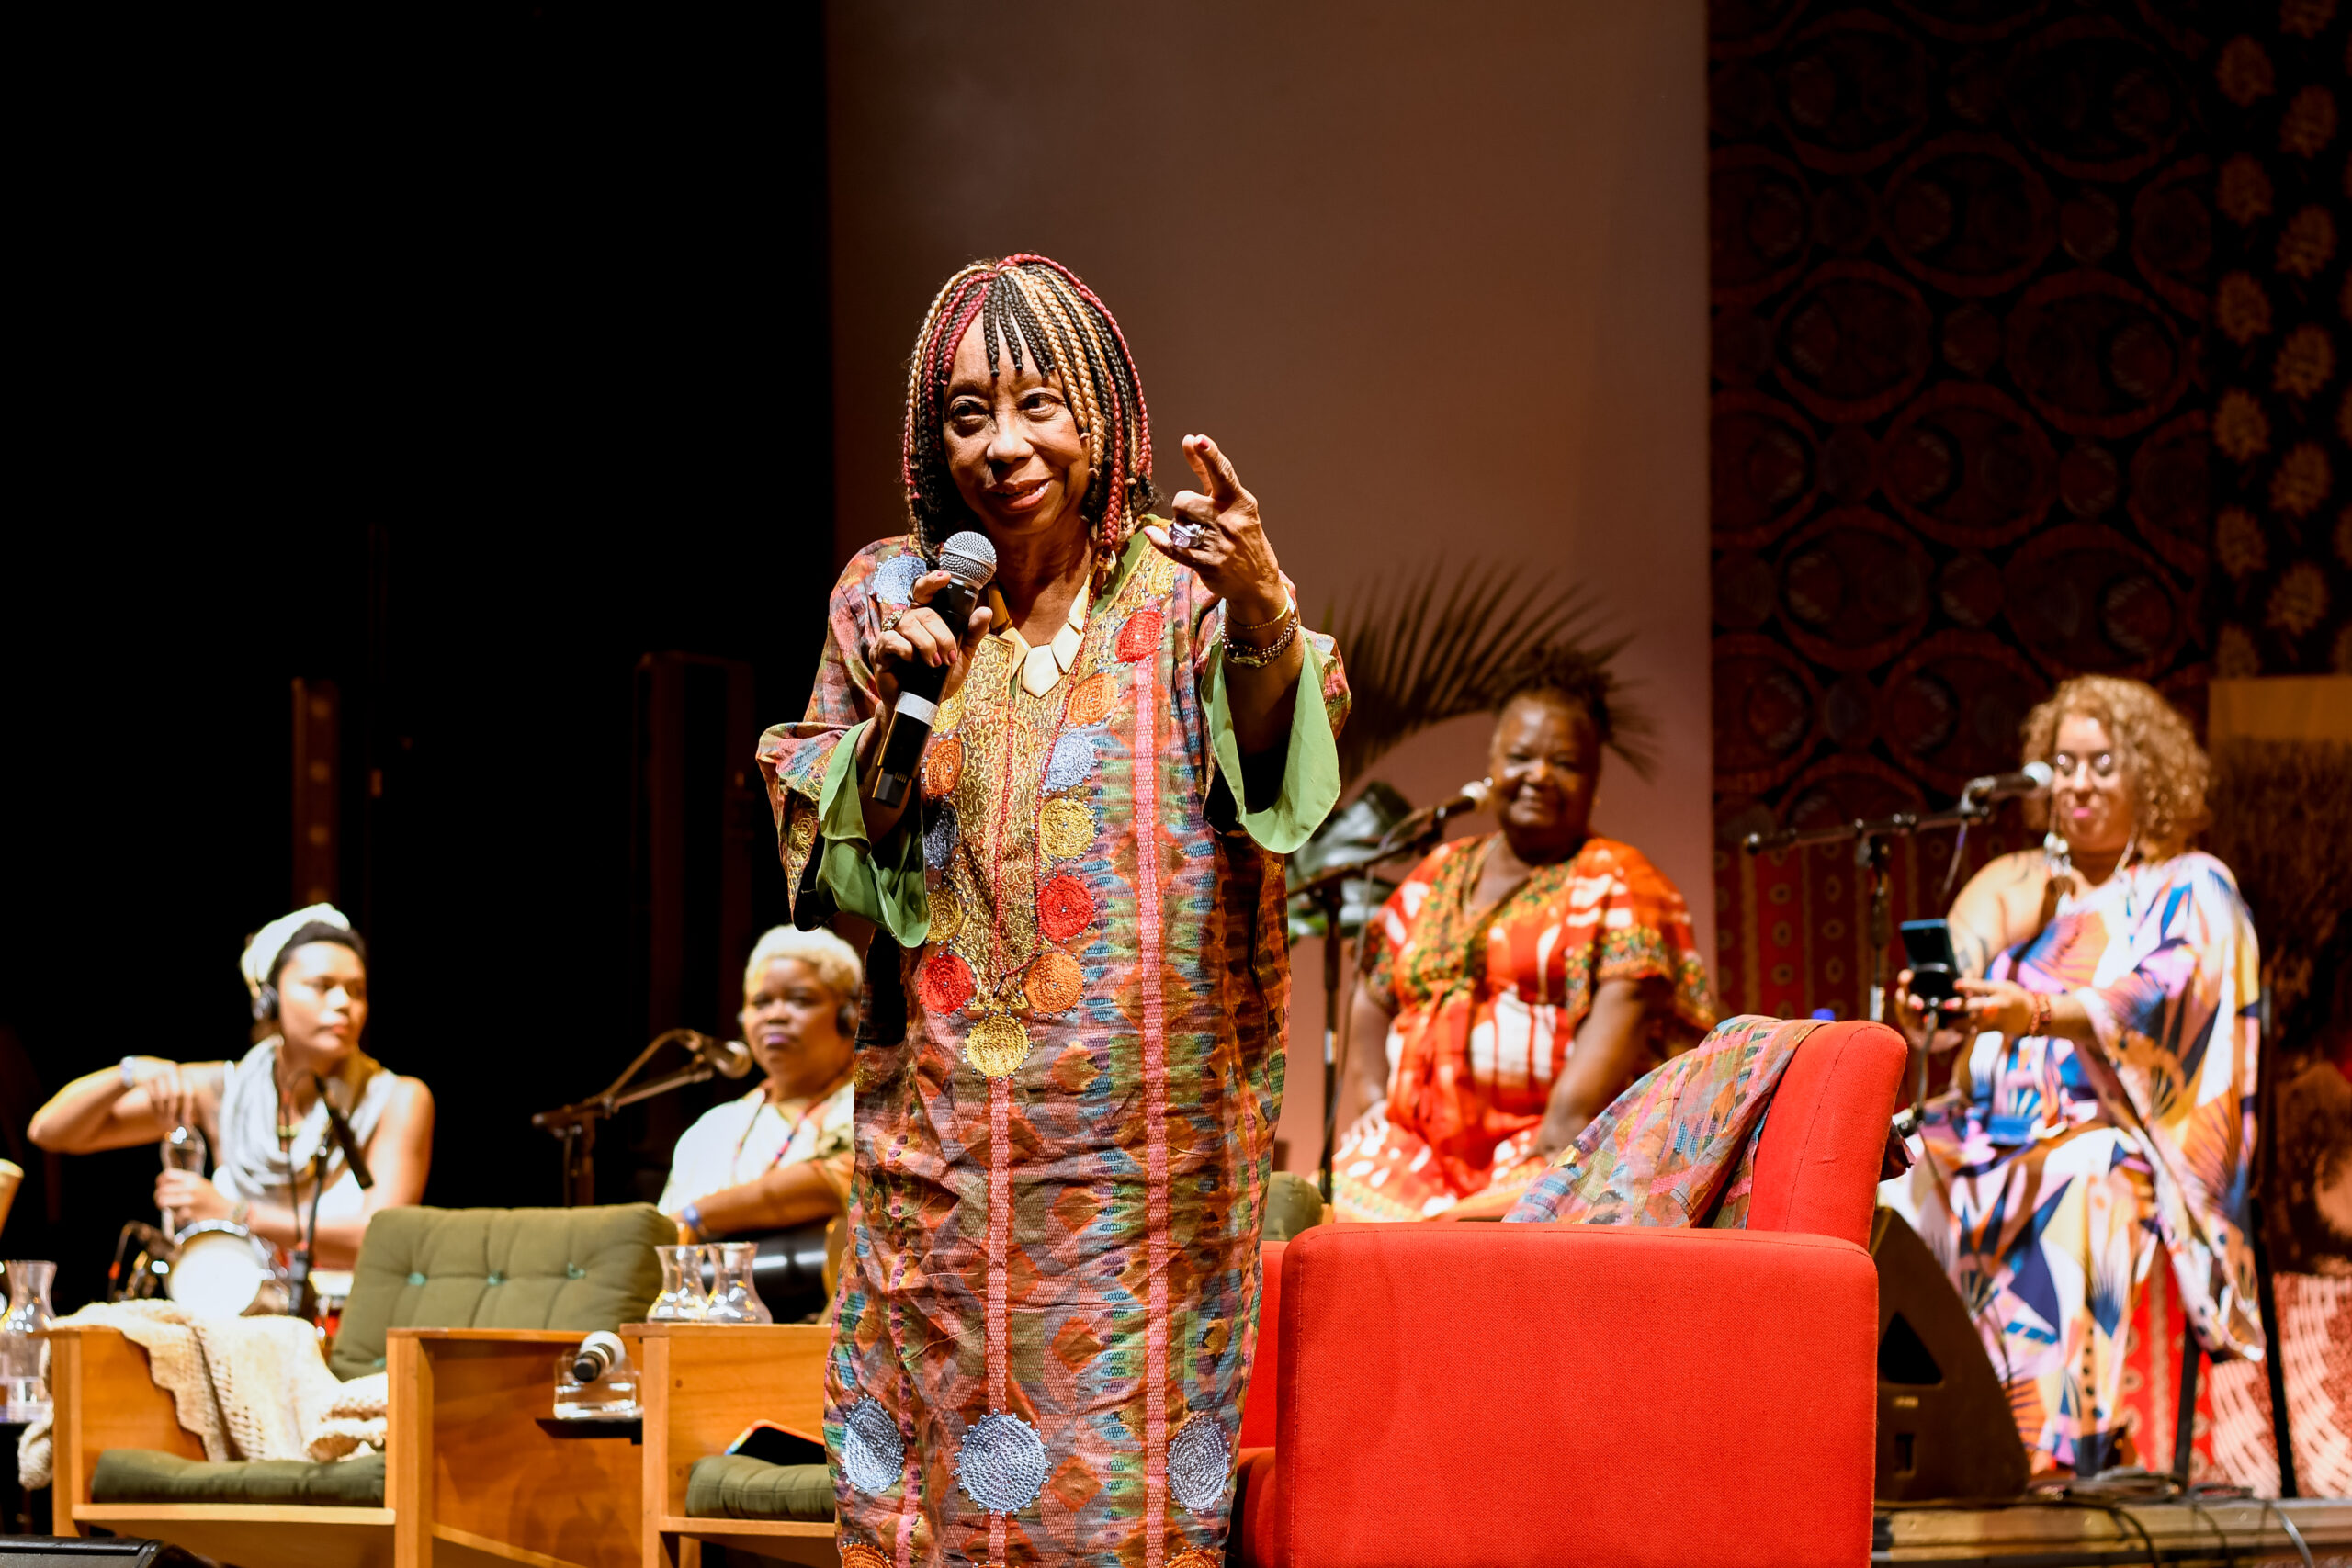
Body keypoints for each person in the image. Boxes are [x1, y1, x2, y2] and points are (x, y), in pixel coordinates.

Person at [758, 254, 1347, 1568]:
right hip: (948, 1160)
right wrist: (894, 722)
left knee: (1122, 1505)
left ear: (1102, 415)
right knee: (939, 1506)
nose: (1004, 445)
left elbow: (1276, 779)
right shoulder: (885, 593)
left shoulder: (1184, 588)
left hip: (1145, 1171)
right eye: (968, 414)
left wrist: (1262, 607)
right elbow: (840, 858)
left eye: (1039, 405)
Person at [1883, 675, 2263, 1475]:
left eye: (2102, 764)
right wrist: (1937, 1003)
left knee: (2082, 1174)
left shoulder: (2190, 885)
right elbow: (1967, 947)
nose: (2078, 783)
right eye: (2063, 765)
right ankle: (1921, 1443)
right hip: (1984, 1130)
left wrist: (2033, 1012)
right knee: (1889, 1179)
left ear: (2149, 775)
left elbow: (2154, 997)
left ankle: (2047, 1450)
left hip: (2105, 1135)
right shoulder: (2021, 879)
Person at [1331, 670, 1716, 1222]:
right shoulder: (1441, 870)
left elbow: (1618, 1030)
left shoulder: (1620, 881)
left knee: (1475, 1237)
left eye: (1565, 763)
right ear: (1491, 768)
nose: (1539, 775)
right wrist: (1373, 1101)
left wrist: (1551, 1156)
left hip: (1557, 1146)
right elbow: (1372, 992)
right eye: (1520, 758)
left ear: (1594, 782)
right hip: (1417, 1154)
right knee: (1327, 1223)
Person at [28, 904, 435, 1272]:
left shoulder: (397, 1098)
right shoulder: (223, 1089)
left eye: (357, 990)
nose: (344, 1003)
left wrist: (235, 1213)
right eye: (322, 985)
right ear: (268, 999)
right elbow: (50, 1132)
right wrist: (128, 1072)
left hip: (344, 1317)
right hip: (231, 1313)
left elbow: (381, 1240)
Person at [659, 925, 858, 1242]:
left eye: (800, 1000)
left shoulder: (872, 1108)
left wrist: (697, 1216)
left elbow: (841, 1181)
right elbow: (664, 1241)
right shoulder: (712, 1129)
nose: (775, 1016)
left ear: (850, 1016)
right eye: (761, 1002)